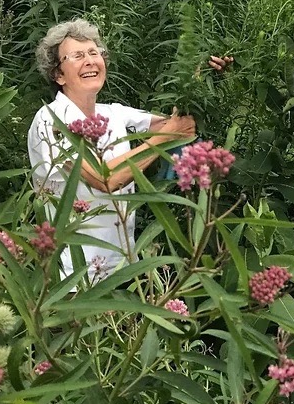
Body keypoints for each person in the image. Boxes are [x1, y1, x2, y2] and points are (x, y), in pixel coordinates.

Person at [27, 18, 231, 283]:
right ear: (58, 74)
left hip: (123, 271)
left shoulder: (113, 113)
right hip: (72, 279)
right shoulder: (51, 120)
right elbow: (105, 179)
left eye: (94, 53)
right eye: (77, 55)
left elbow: (180, 122)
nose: (90, 60)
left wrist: (200, 77)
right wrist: (166, 137)